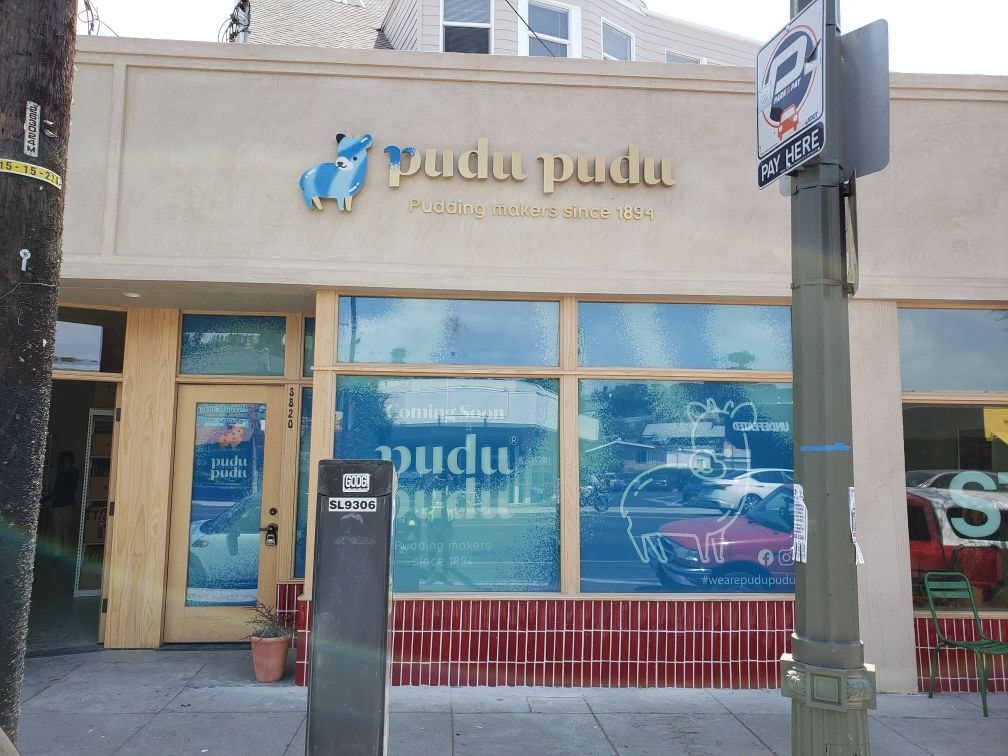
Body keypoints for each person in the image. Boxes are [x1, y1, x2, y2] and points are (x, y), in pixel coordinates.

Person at [41, 450, 80, 551]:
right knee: (57, 531)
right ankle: (58, 553)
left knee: (65, 532)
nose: (63, 463)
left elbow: (71, 488)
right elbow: (56, 490)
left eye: (64, 461)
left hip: (65, 504)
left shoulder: (73, 472)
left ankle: (63, 553)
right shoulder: (62, 473)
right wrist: (43, 500)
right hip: (58, 504)